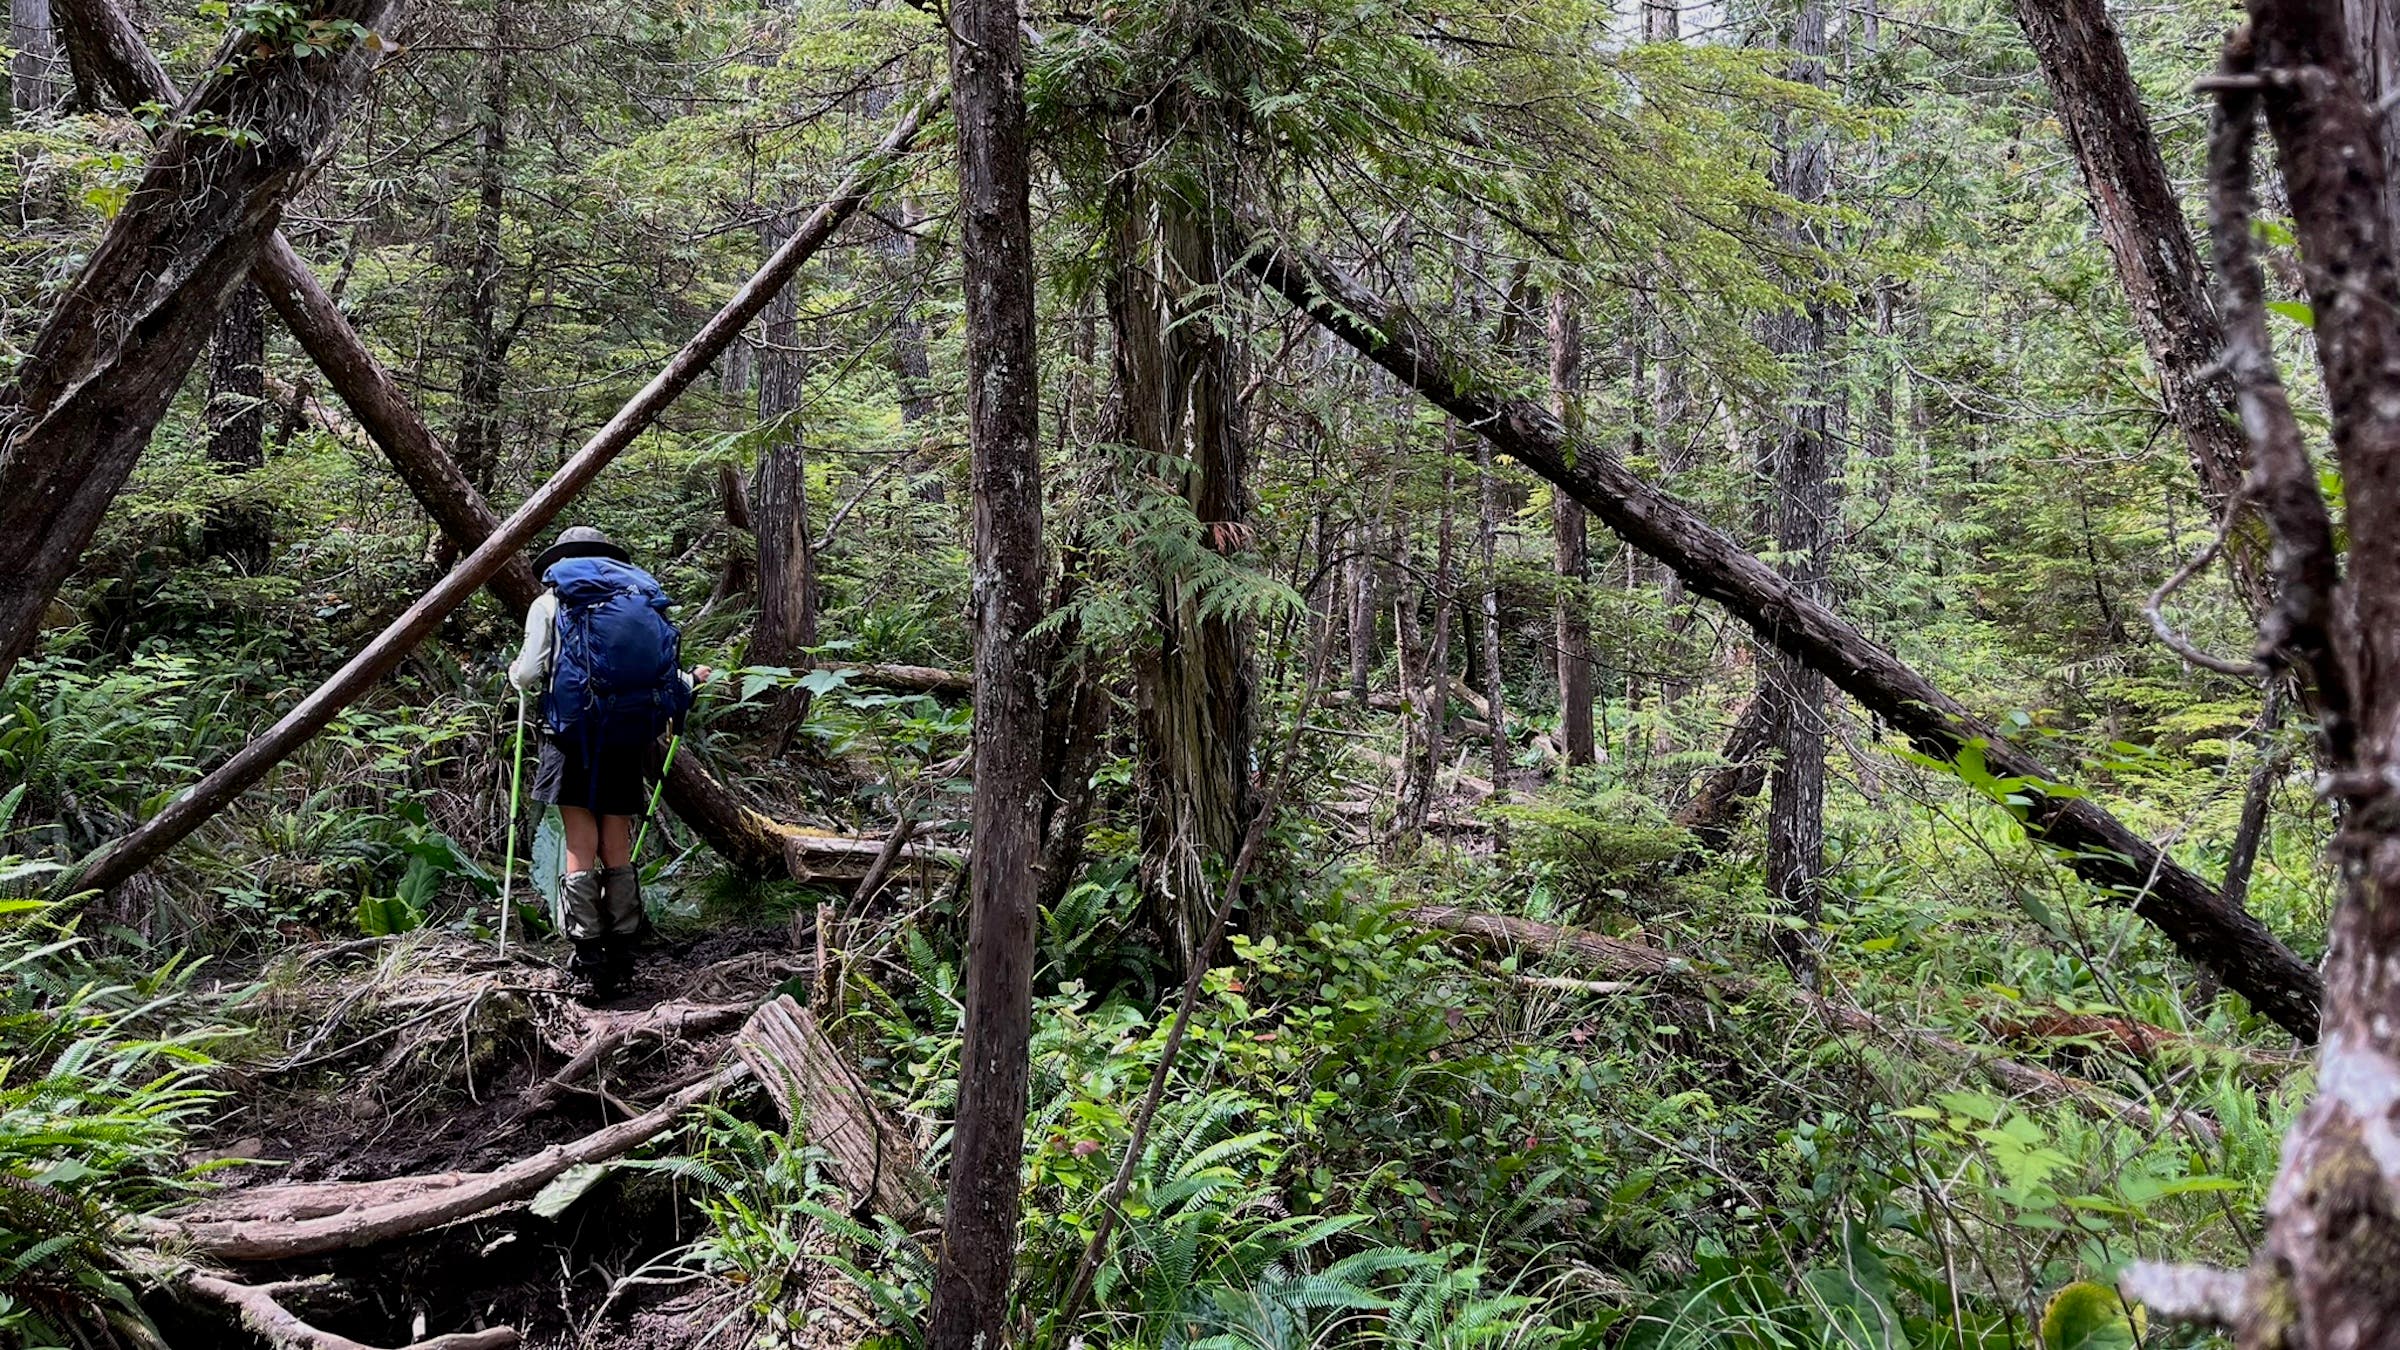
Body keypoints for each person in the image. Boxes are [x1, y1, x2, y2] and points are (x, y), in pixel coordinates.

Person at [509, 526, 712, 997]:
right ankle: (623, 951)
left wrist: (515, 676)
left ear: (561, 559)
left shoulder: (551, 601)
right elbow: (659, 671)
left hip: (572, 735)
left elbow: (531, 672)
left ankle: (589, 956)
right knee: (616, 839)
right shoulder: (636, 596)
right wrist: (691, 681)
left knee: (580, 841)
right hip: (625, 733)